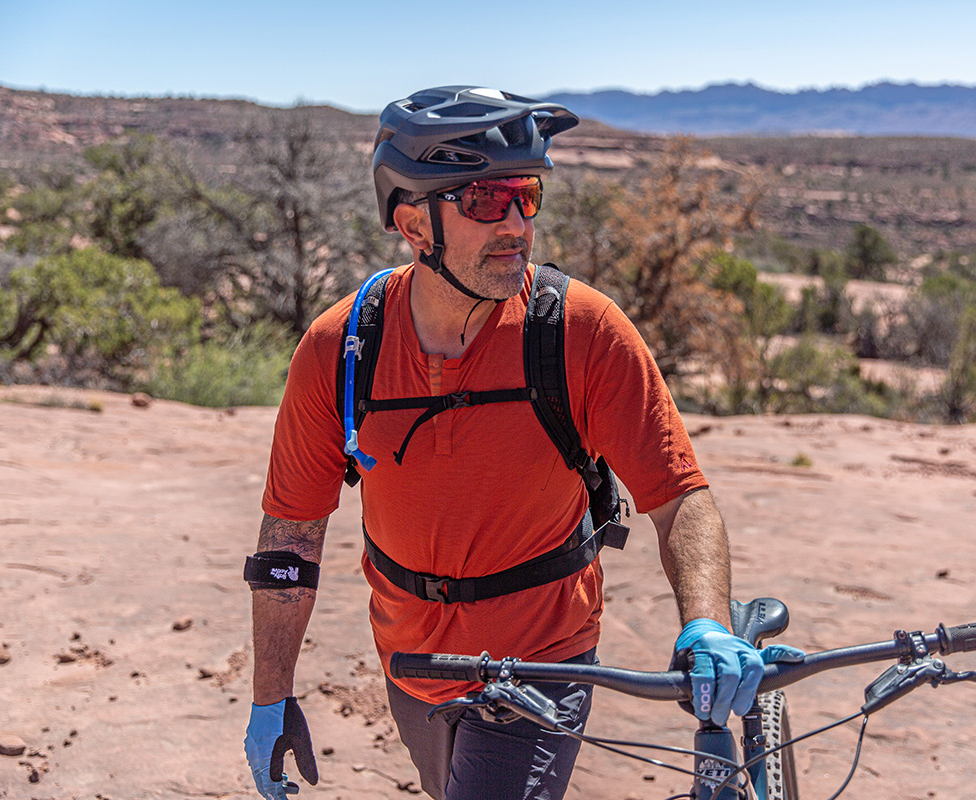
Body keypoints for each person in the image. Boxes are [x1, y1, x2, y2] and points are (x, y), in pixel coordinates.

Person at [244, 86, 772, 800]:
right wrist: (270, 697)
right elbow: (291, 539)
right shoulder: (342, 349)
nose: (518, 224)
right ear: (412, 222)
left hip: (543, 658)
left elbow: (680, 497)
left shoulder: (580, 331)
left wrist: (705, 622)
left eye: (528, 195)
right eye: (488, 202)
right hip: (413, 662)